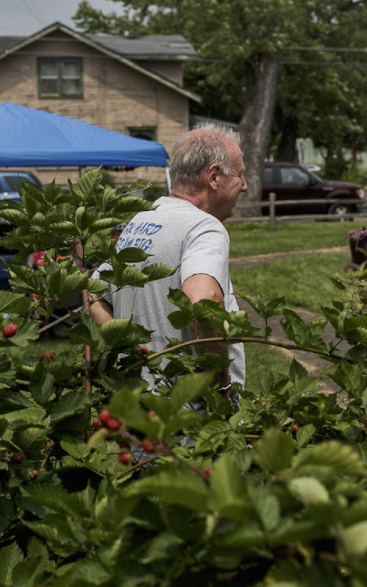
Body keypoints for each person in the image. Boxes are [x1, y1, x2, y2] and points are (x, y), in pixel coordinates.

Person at [90, 124, 248, 395]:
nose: (244, 185)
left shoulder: (143, 218)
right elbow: (202, 302)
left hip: (141, 405)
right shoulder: (204, 227)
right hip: (190, 417)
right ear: (213, 176)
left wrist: (132, 354)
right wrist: (221, 389)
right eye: (239, 174)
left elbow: (93, 291)